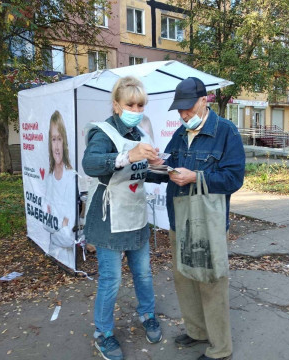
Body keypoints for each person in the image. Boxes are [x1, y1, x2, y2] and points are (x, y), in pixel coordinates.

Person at [164, 77, 246, 360]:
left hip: (207, 223)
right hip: (179, 218)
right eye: (179, 110)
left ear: (204, 100)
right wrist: (153, 166)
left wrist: (197, 176)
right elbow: (169, 170)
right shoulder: (178, 134)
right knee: (184, 278)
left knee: (211, 281)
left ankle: (220, 349)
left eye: (188, 108)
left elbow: (234, 179)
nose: (184, 114)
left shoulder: (226, 132)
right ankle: (197, 331)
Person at [82, 76, 164, 360]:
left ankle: (147, 314)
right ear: (116, 104)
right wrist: (128, 156)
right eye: (130, 104)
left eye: (141, 105)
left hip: (136, 214)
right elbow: (90, 165)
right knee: (111, 279)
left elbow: (142, 174)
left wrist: (163, 169)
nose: (136, 109)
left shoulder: (141, 135)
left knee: (143, 272)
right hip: (109, 219)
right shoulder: (102, 132)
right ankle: (102, 333)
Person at [44, 110, 76, 266]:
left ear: (65, 142)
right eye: (53, 139)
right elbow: (45, 221)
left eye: (59, 139)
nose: (56, 146)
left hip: (68, 258)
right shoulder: (49, 178)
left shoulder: (72, 177)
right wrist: (59, 223)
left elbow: (69, 236)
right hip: (53, 253)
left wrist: (54, 226)